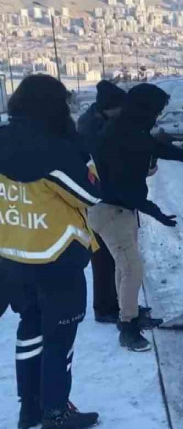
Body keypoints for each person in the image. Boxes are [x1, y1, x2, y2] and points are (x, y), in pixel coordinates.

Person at [0, 75, 101, 429]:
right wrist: (78, 148)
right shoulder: (57, 150)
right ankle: (56, 412)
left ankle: (29, 409)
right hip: (57, 262)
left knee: (29, 329)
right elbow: (90, 193)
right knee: (59, 341)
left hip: (12, 258)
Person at [89, 83, 183, 352]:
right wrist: (154, 211)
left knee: (124, 267)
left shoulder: (130, 128)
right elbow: (121, 188)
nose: (158, 117)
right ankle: (127, 328)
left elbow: (153, 147)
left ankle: (124, 313)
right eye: (157, 111)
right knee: (131, 268)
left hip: (120, 209)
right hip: (110, 210)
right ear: (145, 108)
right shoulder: (118, 135)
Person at [76, 80, 126, 324]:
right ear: (109, 107)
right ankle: (105, 309)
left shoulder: (99, 120)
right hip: (98, 201)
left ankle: (116, 303)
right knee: (103, 257)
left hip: (108, 197)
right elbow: (98, 162)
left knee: (114, 257)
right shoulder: (91, 127)